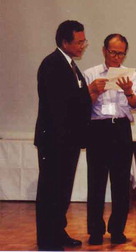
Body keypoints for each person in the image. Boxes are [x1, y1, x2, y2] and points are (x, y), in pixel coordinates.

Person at [34, 20, 92, 250]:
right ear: (64, 42)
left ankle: (58, 232)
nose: (82, 46)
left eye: (84, 41)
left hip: (68, 140)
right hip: (55, 140)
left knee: (62, 191)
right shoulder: (52, 64)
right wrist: (88, 95)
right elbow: (59, 105)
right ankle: (48, 241)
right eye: (79, 42)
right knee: (51, 191)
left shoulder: (70, 64)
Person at [83, 34, 136, 245]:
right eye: (113, 52)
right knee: (96, 182)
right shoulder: (90, 74)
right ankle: (95, 231)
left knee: (120, 183)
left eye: (121, 53)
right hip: (98, 129)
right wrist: (94, 93)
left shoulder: (131, 75)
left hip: (120, 128)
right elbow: (81, 105)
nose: (117, 57)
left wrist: (129, 92)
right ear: (104, 51)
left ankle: (118, 230)